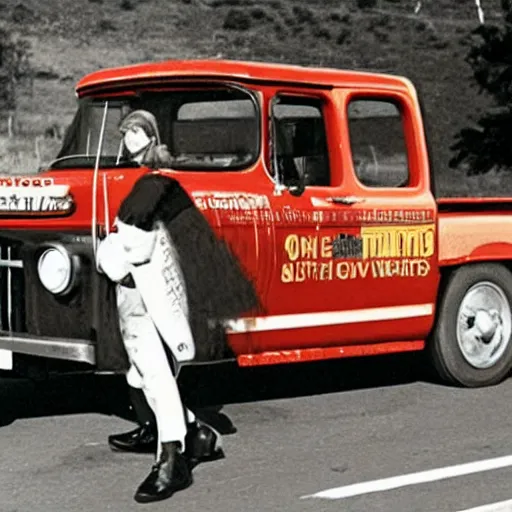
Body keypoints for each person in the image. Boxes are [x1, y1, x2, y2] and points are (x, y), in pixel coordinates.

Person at [97, 110, 260, 503]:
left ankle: (172, 460)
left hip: (142, 294)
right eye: (126, 133)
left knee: (153, 374)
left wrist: (106, 251)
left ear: (148, 138)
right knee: (141, 374)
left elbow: (129, 249)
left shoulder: (150, 188)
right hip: (152, 293)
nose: (127, 139)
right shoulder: (160, 183)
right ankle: (198, 435)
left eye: (134, 132)